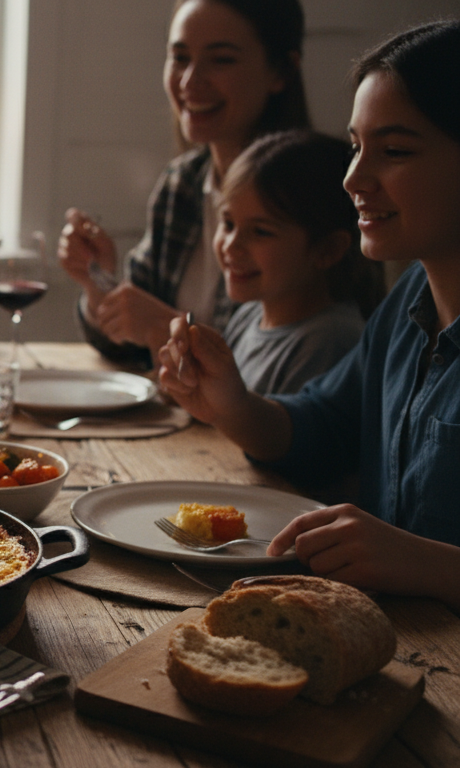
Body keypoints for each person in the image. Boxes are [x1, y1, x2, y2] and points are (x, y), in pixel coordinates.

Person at [156, 20, 460, 610]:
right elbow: (323, 426)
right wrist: (234, 405)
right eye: (355, 147)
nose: (353, 179)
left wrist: (431, 564)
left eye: (394, 151)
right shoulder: (406, 305)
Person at [58, 0, 310, 368]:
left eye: (221, 59)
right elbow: (130, 344)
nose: (190, 81)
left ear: (281, 72)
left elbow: (274, 374)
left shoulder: (309, 199)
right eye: (179, 58)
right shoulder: (182, 184)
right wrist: (98, 282)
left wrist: (166, 326)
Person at [211, 130, 383, 395]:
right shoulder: (250, 314)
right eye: (228, 223)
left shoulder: (328, 341)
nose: (231, 245)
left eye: (261, 231)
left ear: (328, 250)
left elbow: (278, 436)